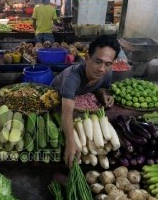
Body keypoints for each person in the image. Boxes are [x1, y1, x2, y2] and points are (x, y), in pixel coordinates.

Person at [50, 35, 121, 167]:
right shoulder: (72, 77)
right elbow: (66, 113)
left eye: (108, 64)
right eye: (98, 61)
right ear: (87, 58)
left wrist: (104, 94)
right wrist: (71, 142)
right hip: (58, 97)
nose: (102, 69)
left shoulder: (107, 72)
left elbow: (102, 88)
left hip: (78, 96)